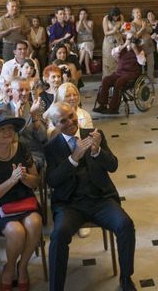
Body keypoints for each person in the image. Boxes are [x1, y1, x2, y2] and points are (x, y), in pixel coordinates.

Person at [45, 102, 136, 291]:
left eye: (71, 116)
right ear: (54, 124)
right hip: (69, 205)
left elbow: (113, 166)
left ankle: (126, 279)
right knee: (58, 235)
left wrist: (97, 152)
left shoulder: (94, 134)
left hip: (100, 199)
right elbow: (52, 181)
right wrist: (73, 159)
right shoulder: (52, 147)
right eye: (63, 120)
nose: (70, 122)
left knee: (125, 224)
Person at [0, 110, 43, 290]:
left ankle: (22, 267)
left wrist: (24, 178)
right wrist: (12, 180)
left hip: (24, 201)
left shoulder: (21, 148)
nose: (8, 132)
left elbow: (36, 181)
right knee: (16, 232)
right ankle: (9, 269)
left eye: (10, 128)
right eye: (2, 129)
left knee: (35, 223)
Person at [94, 32, 146, 115]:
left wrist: (135, 49)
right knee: (106, 80)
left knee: (119, 82)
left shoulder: (139, 49)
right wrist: (125, 45)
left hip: (132, 73)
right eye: (129, 40)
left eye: (132, 40)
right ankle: (102, 104)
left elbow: (142, 62)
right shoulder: (122, 48)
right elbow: (113, 53)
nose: (131, 42)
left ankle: (113, 108)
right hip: (120, 72)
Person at [129, 7, 155, 80]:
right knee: (142, 64)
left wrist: (145, 27)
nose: (139, 13)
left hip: (149, 44)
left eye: (139, 12)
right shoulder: (131, 24)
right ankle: (142, 79)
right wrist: (143, 28)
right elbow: (135, 36)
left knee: (151, 63)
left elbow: (150, 30)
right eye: (136, 12)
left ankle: (150, 78)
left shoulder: (145, 20)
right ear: (133, 14)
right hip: (139, 47)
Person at [102, 7, 123, 76]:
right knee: (109, 60)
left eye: (117, 16)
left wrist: (121, 30)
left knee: (119, 60)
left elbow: (123, 28)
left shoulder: (121, 17)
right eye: (114, 16)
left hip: (119, 40)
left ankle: (118, 78)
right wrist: (113, 31)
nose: (116, 18)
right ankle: (108, 79)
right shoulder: (106, 18)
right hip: (109, 41)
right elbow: (105, 33)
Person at [75, 9, 94, 75]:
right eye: (81, 14)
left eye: (84, 14)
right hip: (80, 44)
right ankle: (87, 69)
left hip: (90, 42)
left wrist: (85, 22)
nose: (83, 15)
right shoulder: (77, 22)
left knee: (85, 46)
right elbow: (77, 30)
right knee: (85, 50)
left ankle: (79, 64)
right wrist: (81, 21)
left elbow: (89, 31)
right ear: (79, 15)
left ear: (87, 15)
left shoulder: (90, 22)